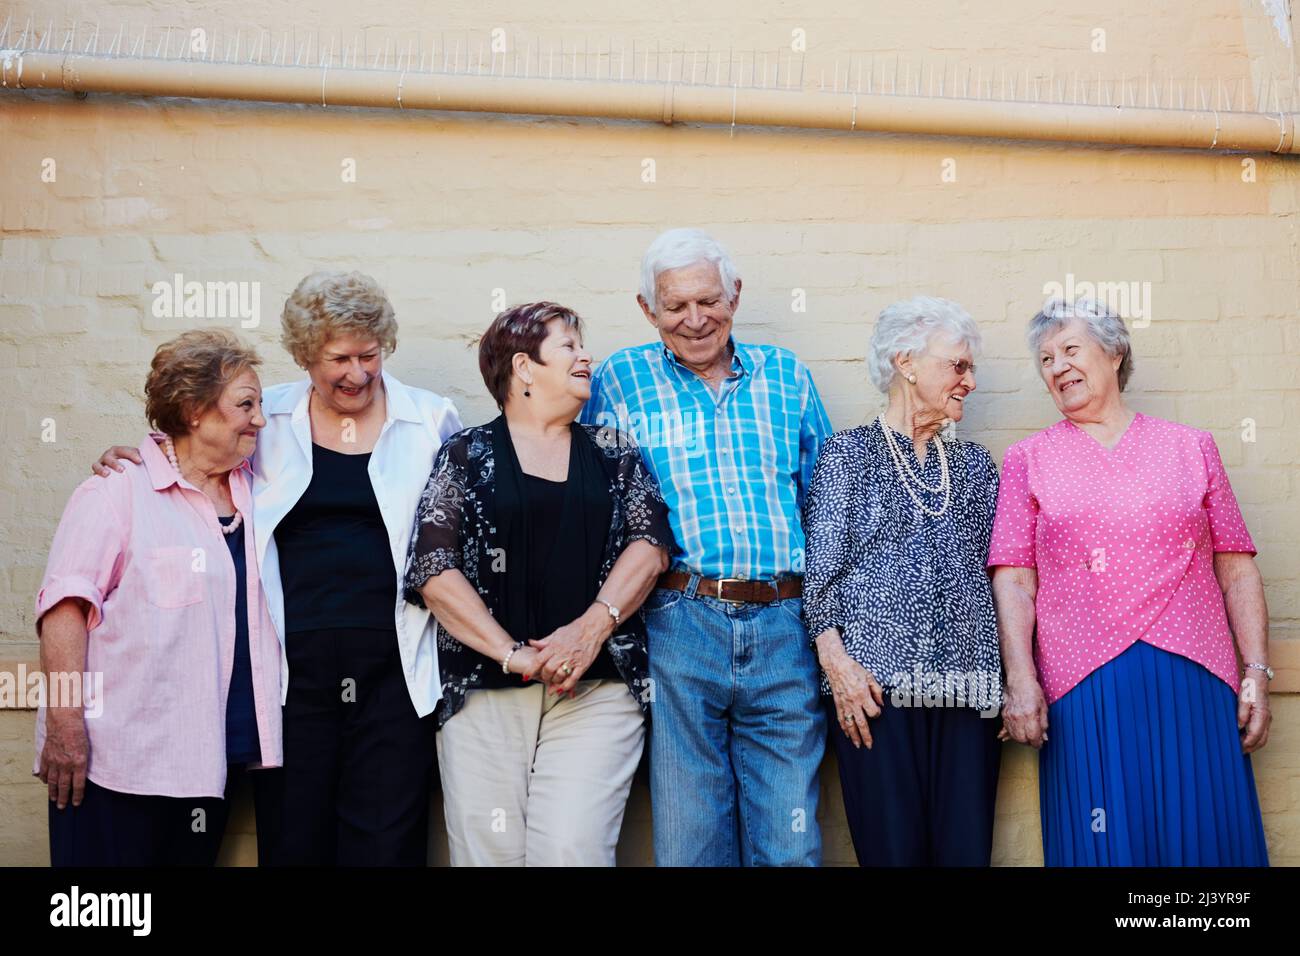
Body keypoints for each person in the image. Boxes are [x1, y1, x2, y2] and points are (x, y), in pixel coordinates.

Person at [93, 271, 462, 865]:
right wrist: (140, 457)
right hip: (288, 671)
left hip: (397, 665)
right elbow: (196, 455)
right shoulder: (270, 417)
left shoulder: (431, 419)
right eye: (338, 358)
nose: (358, 373)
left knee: (389, 843)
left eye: (370, 355)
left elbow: (462, 526)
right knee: (294, 840)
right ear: (304, 355)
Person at [989, 297, 1271, 866]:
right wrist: (1021, 681)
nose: (1057, 366)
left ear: (1114, 353)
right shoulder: (1028, 459)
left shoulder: (1191, 446)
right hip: (1083, 681)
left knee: (1201, 836)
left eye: (1070, 349)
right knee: (1104, 837)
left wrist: (1256, 673)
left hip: (1195, 675)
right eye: (1045, 359)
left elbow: (1236, 566)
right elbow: (1015, 581)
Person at [581, 228, 833, 866]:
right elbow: (594, 505)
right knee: (691, 842)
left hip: (784, 621)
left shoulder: (787, 376)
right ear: (648, 311)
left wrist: (828, 625)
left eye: (709, 300)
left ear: (736, 295)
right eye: (674, 307)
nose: (695, 320)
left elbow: (825, 508)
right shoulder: (619, 379)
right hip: (677, 622)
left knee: (791, 842)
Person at [404, 302, 674, 865]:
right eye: (570, 347)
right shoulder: (465, 453)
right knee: (489, 852)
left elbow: (649, 549)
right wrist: (512, 655)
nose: (586, 357)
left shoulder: (614, 452)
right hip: (485, 687)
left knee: (573, 849)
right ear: (524, 368)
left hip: (596, 686)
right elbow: (433, 568)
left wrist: (588, 631)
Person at [38, 329, 282, 865]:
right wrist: (64, 726)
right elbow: (64, 610)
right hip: (115, 762)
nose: (260, 419)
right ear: (194, 410)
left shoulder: (259, 489)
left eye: (261, 404)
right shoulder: (117, 491)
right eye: (246, 404)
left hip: (210, 761)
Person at [803, 296, 1003, 866]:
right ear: (906, 362)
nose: (968, 380)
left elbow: (1003, 580)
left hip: (969, 692)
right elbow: (821, 581)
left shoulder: (975, 466)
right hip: (876, 694)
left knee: (965, 855)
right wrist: (838, 670)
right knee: (894, 855)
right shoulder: (849, 454)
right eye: (957, 365)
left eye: (971, 368)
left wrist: (1015, 678)